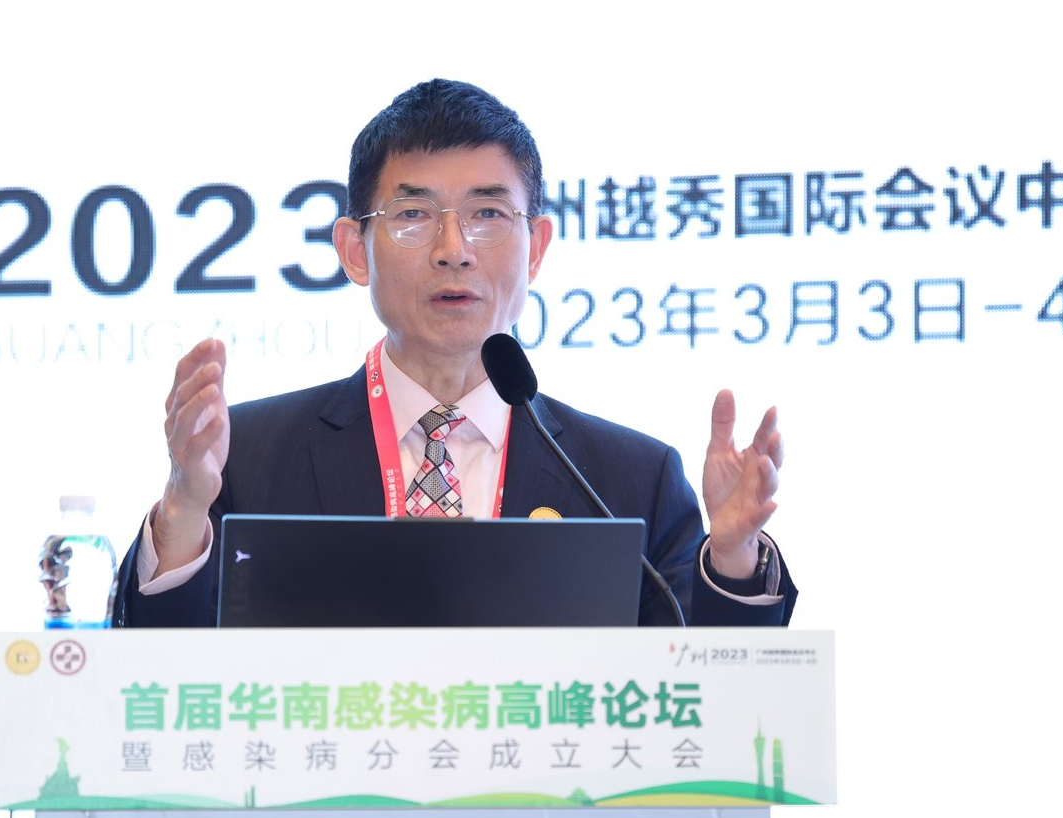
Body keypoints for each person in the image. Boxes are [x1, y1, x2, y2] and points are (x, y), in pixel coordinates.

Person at [114, 79, 796, 628]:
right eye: (413, 215)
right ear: (354, 250)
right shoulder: (250, 458)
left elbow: (704, 700)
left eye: (488, 214)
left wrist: (733, 557)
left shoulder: (630, 480)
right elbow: (157, 677)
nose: (453, 249)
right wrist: (183, 509)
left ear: (536, 248)